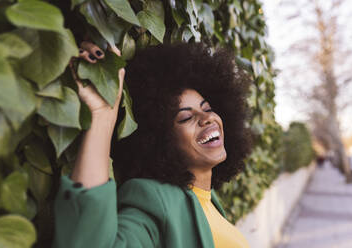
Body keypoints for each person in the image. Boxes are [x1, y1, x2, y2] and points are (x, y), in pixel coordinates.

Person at [53, 42, 253, 248]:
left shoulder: (209, 201)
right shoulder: (155, 201)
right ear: (160, 140)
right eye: (185, 117)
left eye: (208, 108)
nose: (207, 118)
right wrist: (102, 115)